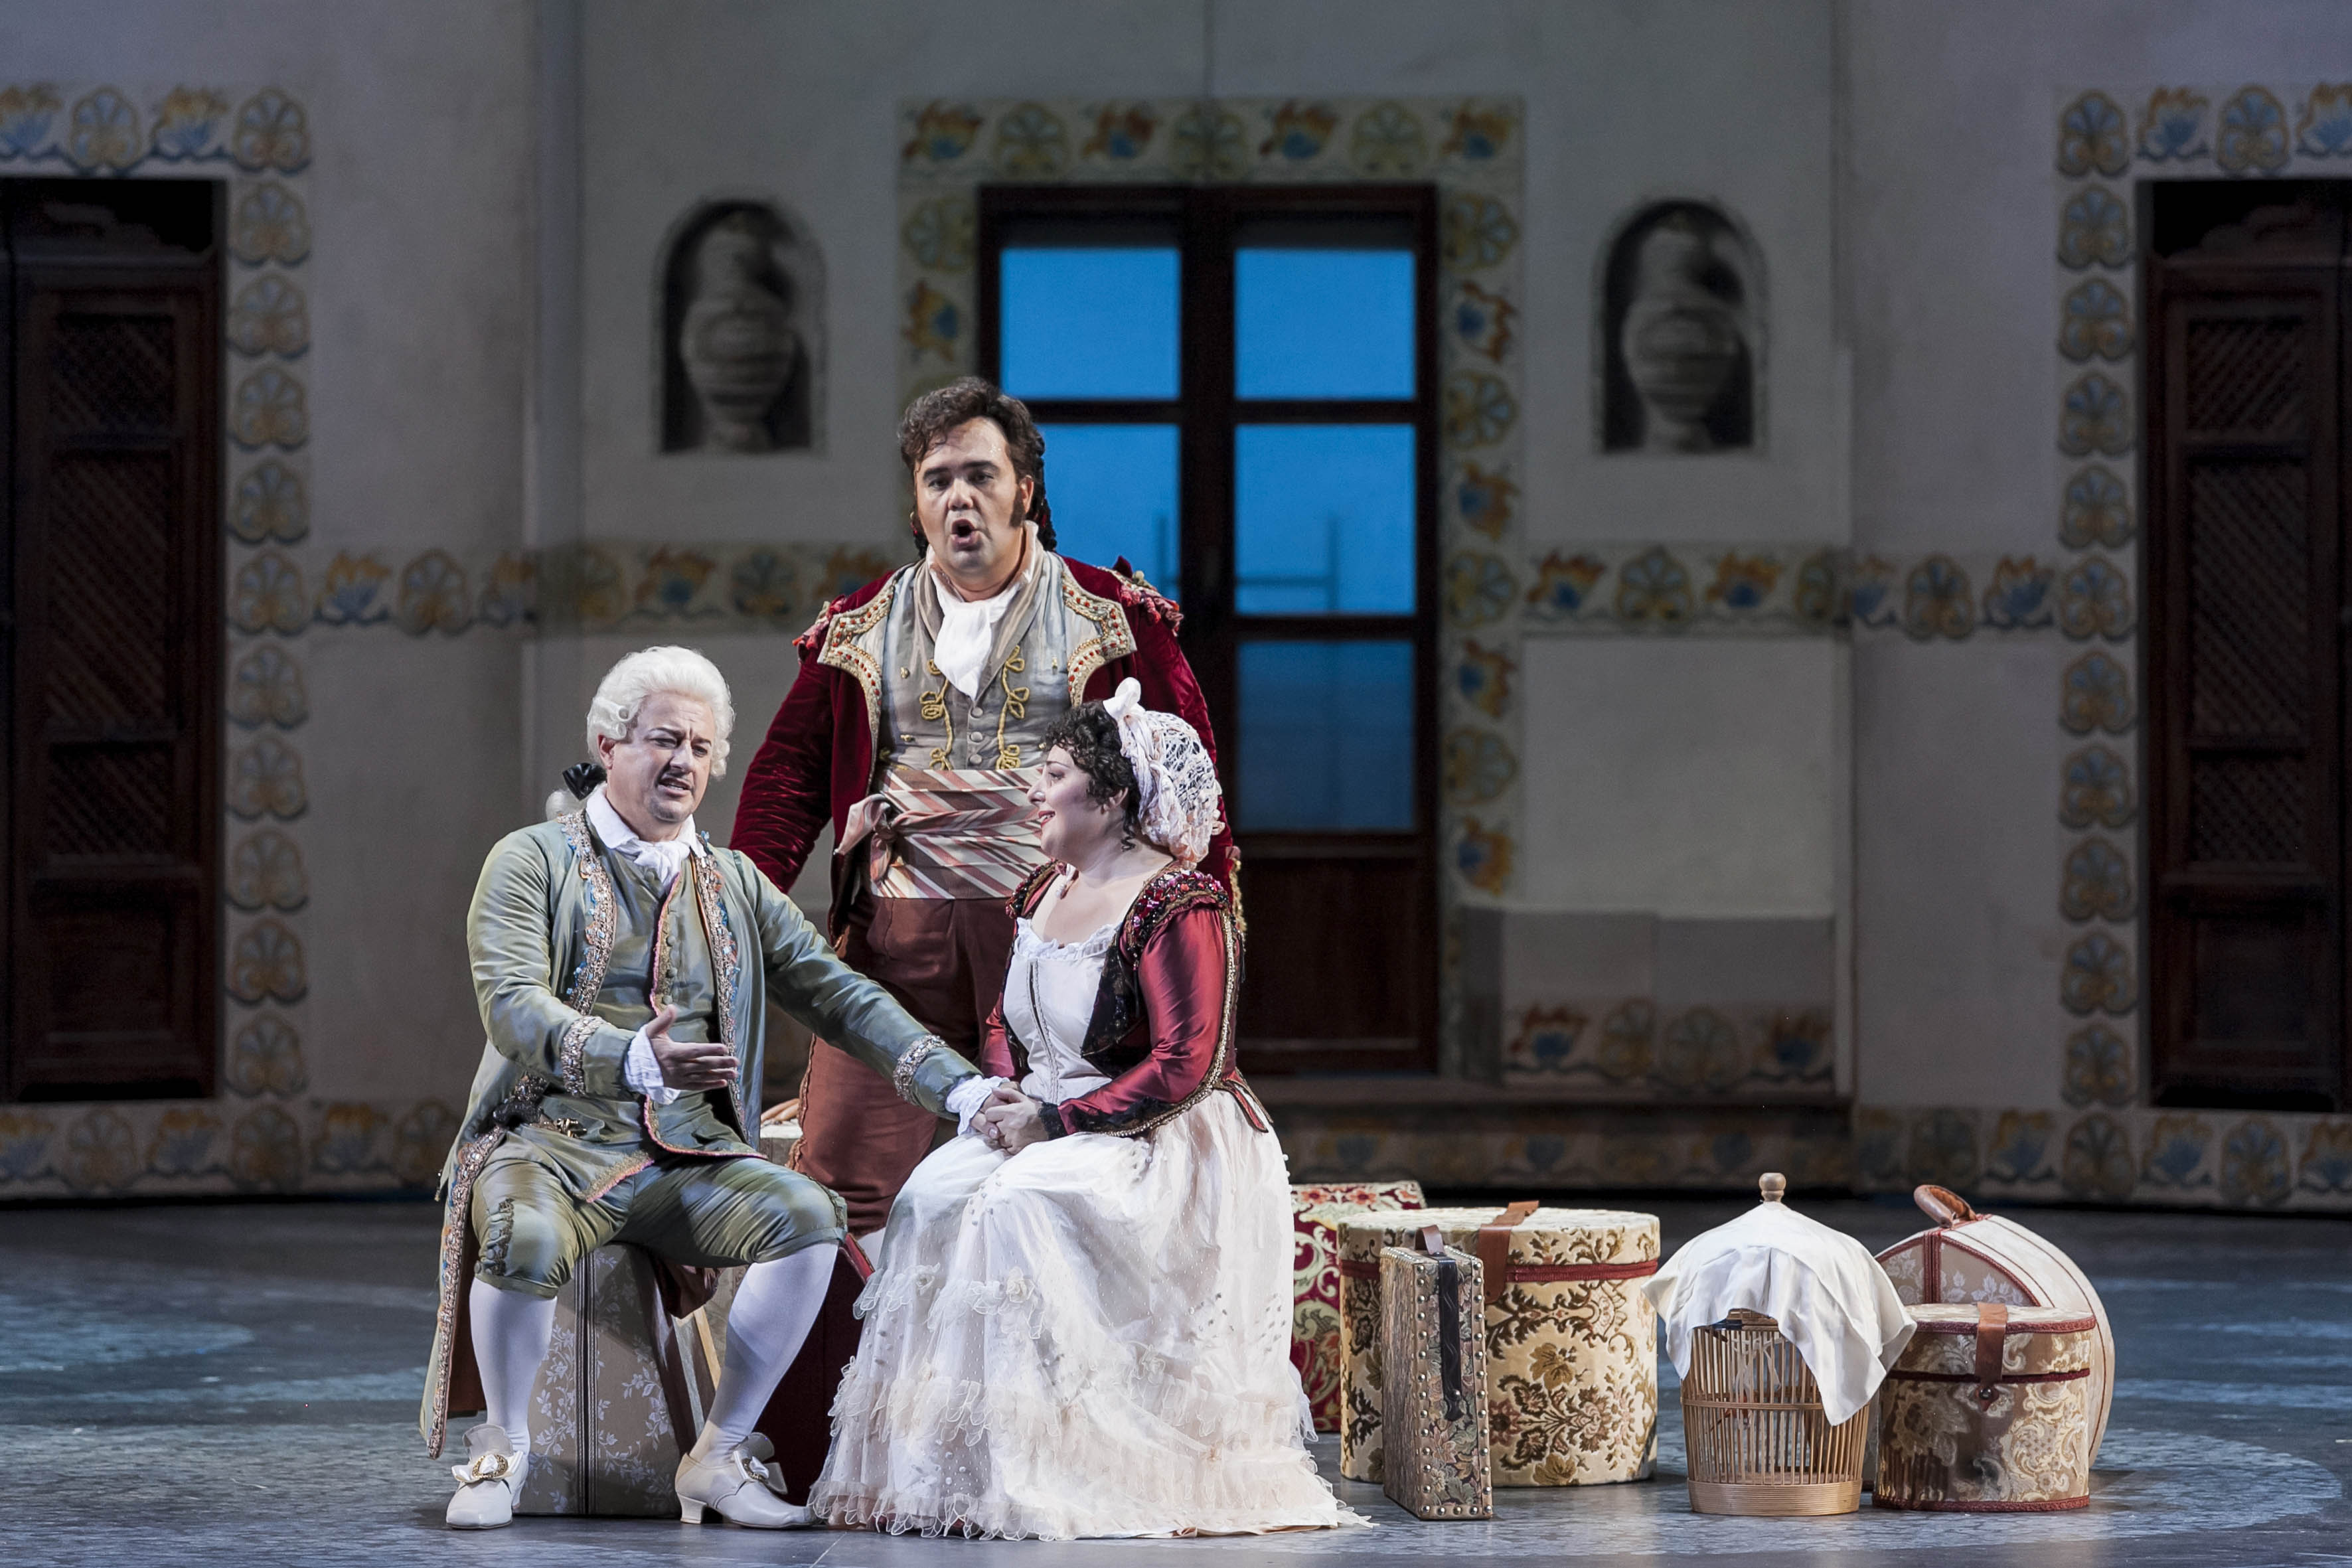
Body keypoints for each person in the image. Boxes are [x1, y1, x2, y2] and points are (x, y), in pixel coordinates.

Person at [418, 647, 994, 1531]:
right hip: (549, 1140)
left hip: (687, 1155)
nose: (681, 760)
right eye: (661, 739)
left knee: (808, 1215)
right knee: (522, 1231)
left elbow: (838, 994)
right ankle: (501, 1448)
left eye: (699, 744)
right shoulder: (530, 861)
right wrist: (632, 1059)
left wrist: (961, 1092)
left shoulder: (732, 885)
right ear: (608, 745)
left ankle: (718, 1453)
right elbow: (514, 1008)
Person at [807, 681, 1362, 1541]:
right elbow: (1003, 1019)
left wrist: (1053, 1125)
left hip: (1159, 1137)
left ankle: (1062, 1470)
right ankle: (946, 1474)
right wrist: (1003, 1093)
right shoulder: (1042, 890)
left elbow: (1188, 1063)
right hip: (1043, 1114)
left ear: (1110, 798)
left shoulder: (1180, 904)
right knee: (929, 1196)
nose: (1032, 789)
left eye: (1055, 771)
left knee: (1015, 1206)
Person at [730, 376, 1232, 1244]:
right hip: (895, 953)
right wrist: (729, 917)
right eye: (936, 479)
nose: (958, 497)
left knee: (1060, 1198)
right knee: (842, 1197)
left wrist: (1194, 965)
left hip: (1062, 956)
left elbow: (1195, 801)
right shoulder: (858, 625)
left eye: (981, 475)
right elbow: (787, 778)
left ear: (1025, 491)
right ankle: (864, 1385)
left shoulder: (1112, 621)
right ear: (917, 502)